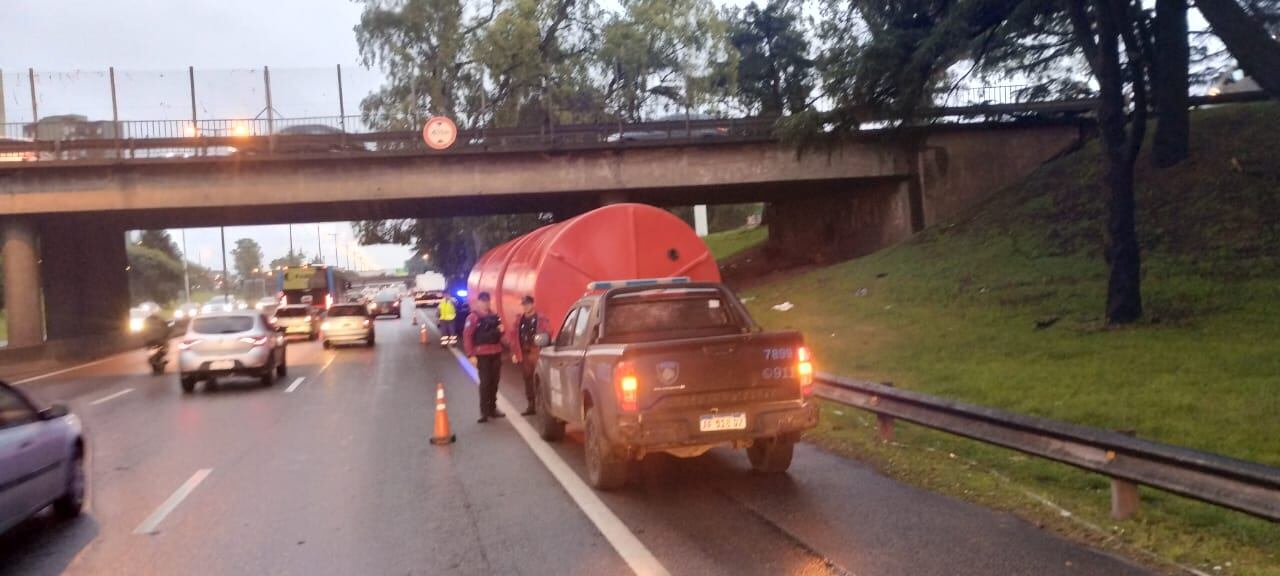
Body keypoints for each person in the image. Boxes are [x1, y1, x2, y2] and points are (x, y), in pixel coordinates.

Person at [463, 292, 506, 423]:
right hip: (482, 354)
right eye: (483, 301)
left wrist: (501, 330)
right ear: (479, 302)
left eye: (487, 301)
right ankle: (484, 411)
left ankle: (492, 408)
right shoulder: (473, 317)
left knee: (494, 382)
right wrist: (470, 354)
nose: (485, 303)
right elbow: (467, 336)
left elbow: (500, 333)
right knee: (485, 383)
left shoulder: (495, 316)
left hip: (496, 352)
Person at [511, 295, 550, 416]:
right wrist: (514, 352)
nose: (525, 307)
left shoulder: (541, 319)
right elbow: (514, 337)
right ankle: (531, 405)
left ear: (532, 304)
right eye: (523, 305)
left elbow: (548, 332)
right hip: (525, 352)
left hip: (536, 351)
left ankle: (542, 405)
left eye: (527, 304)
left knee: (539, 378)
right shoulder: (519, 320)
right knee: (527, 379)